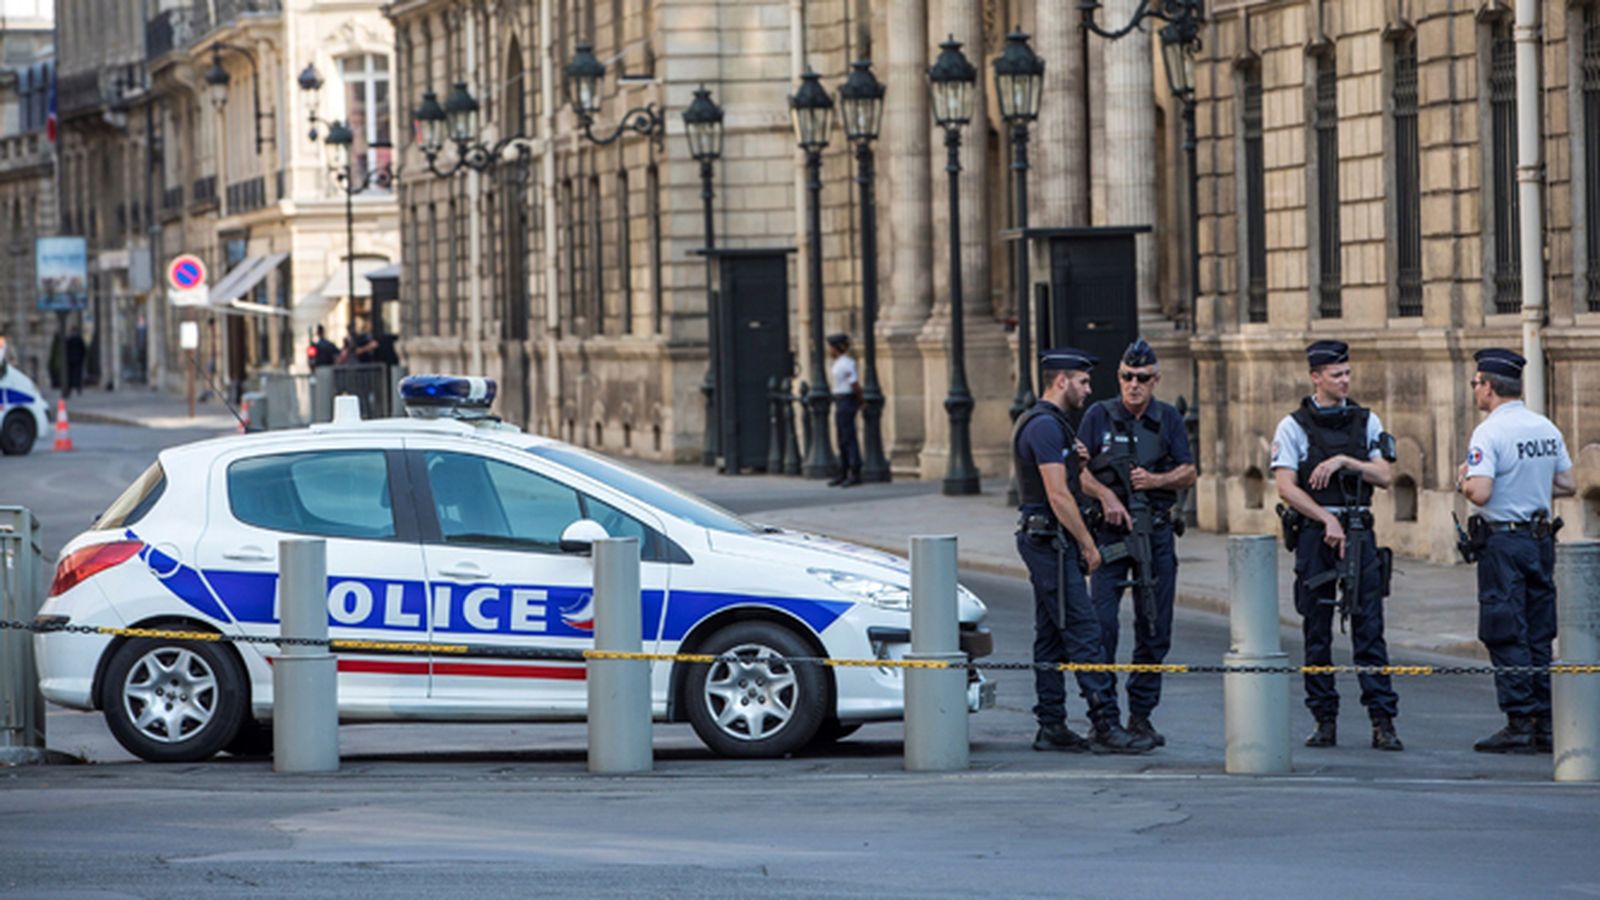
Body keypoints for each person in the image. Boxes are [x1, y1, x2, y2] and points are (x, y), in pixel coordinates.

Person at [1014, 347, 1155, 755]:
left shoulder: (1053, 424)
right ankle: (1106, 724)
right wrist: (1089, 545)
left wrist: (1077, 461)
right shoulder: (1044, 426)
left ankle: (1052, 724)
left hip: (1045, 541)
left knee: (1050, 636)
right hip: (1049, 542)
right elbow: (1057, 496)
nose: (1089, 390)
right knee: (1084, 630)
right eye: (1083, 382)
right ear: (1062, 381)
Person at [1271, 340, 1403, 751]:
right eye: (1336, 375)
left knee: (1369, 629)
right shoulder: (1293, 425)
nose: (1344, 381)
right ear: (1316, 377)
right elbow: (1285, 487)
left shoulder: (1366, 420)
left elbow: (1383, 475)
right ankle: (1323, 718)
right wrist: (1325, 518)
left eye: (1347, 373)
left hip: (1359, 532)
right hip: (1316, 534)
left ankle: (1382, 721)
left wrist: (1347, 461)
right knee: (1316, 631)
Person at [1456, 348, 1575, 753]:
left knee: (1506, 628)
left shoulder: (1489, 432)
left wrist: (1464, 482)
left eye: (1476, 383)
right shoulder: (1544, 427)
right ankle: (1544, 721)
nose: (1475, 390)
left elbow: (1481, 491)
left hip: (1504, 542)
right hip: (1540, 541)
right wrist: (1531, 483)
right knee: (1539, 630)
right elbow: (1568, 483)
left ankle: (1519, 721)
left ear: (1488, 387)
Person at [1078, 338, 1196, 747]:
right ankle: (1104, 717)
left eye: (1142, 379)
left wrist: (1156, 480)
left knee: (1154, 625)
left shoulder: (1167, 420)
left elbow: (1189, 471)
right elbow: (1078, 472)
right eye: (1127, 377)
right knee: (1102, 625)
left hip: (1155, 531)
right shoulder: (1098, 416)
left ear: (1155, 380)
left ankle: (1141, 716)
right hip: (1110, 533)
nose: (1133, 385)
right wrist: (1106, 495)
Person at [827, 333, 863, 487]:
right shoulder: (838, 363)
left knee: (848, 437)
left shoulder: (847, 363)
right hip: (840, 400)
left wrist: (861, 401)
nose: (829, 350)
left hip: (846, 400)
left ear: (837, 348)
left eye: (831, 347)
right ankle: (844, 470)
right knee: (842, 438)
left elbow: (854, 384)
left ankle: (854, 471)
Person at [64, 329, 86, 398]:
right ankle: (77, 389)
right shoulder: (79, 339)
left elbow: (66, 349)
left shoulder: (70, 339)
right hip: (77, 360)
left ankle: (71, 389)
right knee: (77, 375)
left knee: (71, 375)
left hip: (71, 360)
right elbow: (83, 350)